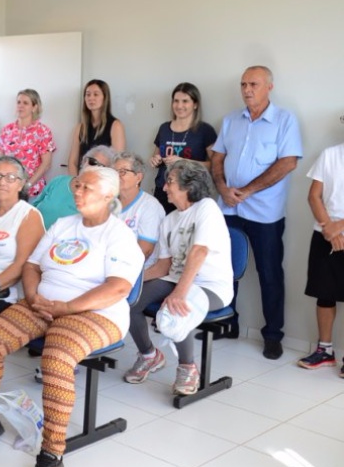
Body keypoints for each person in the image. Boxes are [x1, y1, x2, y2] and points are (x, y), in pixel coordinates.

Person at [0, 166, 143, 467]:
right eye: (77, 185)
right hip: (43, 304)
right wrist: (33, 295)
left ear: (109, 196)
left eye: (86, 188)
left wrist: (67, 307)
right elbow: (32, 264)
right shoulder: (64, 225)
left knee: (55, 358)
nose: (77, 192)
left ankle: (52, 455)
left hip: (96, 314)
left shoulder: (119, 235)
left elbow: (118, 288)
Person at [210, 65, 302, 359]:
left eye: (253, 84)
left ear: (269, 87)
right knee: (224, 269)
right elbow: (217, 158)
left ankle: (273, 336)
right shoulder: (230, 120)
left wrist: (247, 191)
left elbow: (288, 163)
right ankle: (227, 322)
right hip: (229, 207)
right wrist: (223, 187)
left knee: (270, 273)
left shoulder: (285, 120)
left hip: (265, 213)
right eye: (243, 84)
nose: (247, 90)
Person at [123, 160, 233, 395]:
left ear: (189, 185)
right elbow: (164, 265)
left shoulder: (207, 208)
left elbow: (199, 251)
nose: (164, 188)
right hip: (175, 279)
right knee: (129, 300)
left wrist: (178, 293)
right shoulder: (170, 219)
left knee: (176, 309)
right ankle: (149, 355)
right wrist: (128, 282)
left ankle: (187, 367)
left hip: (211, 286)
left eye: (170, 182)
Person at [0, 156, 45, 324]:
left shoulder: (28, 215)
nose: (2, 182)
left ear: (21, 184)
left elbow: (23, 265)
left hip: (1, 292)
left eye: (10, 177)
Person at [297, 139, 344, 373]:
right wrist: (328, 227)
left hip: (336, 230)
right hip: (324, 233)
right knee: (324, 293)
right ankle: (324, 350)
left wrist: (339, 227)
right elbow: (314, 196)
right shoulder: (330, 154)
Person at [149, 83, 218, 213]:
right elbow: (156, 156)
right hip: (163, 190)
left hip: (190, 194)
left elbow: (214, 165)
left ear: (195, 104)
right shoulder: (164, 128)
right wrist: (155, 160)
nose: (179, 106)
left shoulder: (205, 131)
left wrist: (183, 162)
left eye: (185, 101)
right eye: (176, 101)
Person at [32, 145, 115, 229]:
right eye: (92, 162)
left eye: (101, 168)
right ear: (84, 161)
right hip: (30, 234)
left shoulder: (96, 201)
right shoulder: (58, 181)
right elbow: (33, 207)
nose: (94, 169)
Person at [0, 89, 56, 198]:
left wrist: (27, 185)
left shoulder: (42, 131)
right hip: (9, 190)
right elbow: (0, 160)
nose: (20, 106)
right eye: (18, 102)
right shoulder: (7, 130)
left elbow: (46, 164)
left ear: (34, 107)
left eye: (25, 103)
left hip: (33, 191)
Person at [114, 151, 165, 269]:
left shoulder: (150, 206)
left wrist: (118, 271)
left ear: (138, 177)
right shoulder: (108, 202)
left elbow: (145, 251)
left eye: (123, 172)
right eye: (114, 172)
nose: (117, 176)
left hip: (133, 270)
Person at [66, 80, 125, 175]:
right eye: (88, 94)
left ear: (105, 98)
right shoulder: (80, 127)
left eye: (96, 94)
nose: (91, 98)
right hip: (82, 180)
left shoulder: (116, 125)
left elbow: (117, 163)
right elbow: (72, 162)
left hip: (104, 181)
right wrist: (76, 182)